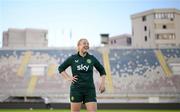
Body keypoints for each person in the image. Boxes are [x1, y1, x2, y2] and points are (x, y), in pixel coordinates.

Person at [58, 38, 106, 112]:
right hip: (76, 90)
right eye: (84, 43)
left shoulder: (92, 58)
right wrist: (68, 78)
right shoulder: (73, 58)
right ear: (78, 46)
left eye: (87, 44)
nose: (86, 45)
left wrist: (102, 83)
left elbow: (102, 71)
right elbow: (61, 68)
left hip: (89, 90)